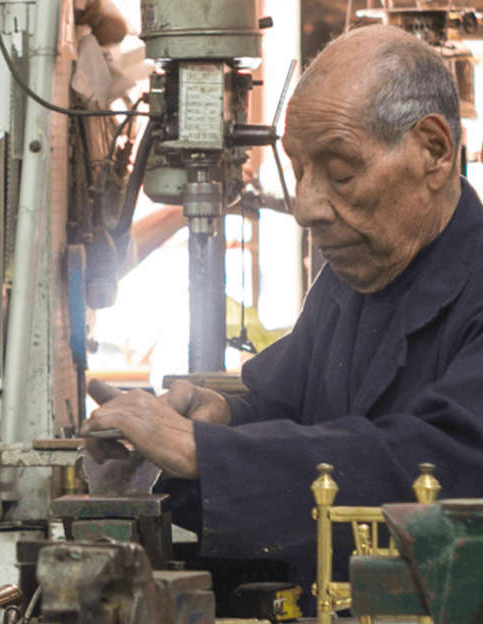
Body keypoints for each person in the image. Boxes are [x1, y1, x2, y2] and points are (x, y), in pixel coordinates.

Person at [82, 24, 481, 590]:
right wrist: (216, 418)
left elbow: (444, 468)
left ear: (434, 151)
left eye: (341, 172)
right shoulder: (352, 277)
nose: (308, 207)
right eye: (299, 170)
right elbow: (283, 411)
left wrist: (209, 453)